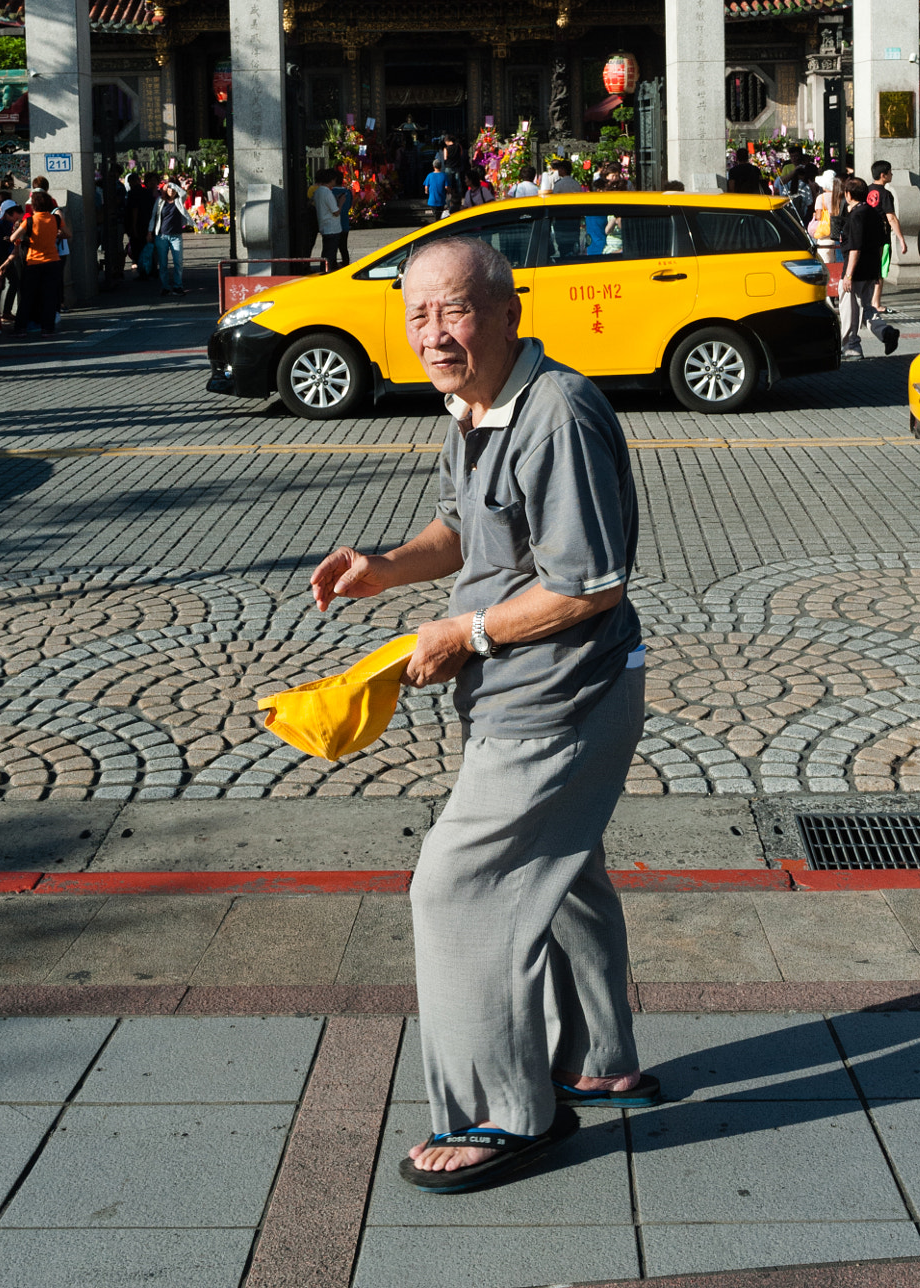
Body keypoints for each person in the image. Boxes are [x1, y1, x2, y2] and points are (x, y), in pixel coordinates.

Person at [309, 235, 652, 1193]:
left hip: (562, 696)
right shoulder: (473, 406)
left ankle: (505, 1112)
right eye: (418, 315)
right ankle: (599, 1059)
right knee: (565, 868)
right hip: (529, 689)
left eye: (454, 311)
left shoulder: (559, 413)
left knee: (453, 889)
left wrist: (463, 633)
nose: (434, 333)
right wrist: (385, 567)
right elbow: (466, 526)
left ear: (507, 311)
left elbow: (585, 585)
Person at [839, 177, 899, 360]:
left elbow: (855, 247)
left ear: (848, 195)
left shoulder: (857, 215)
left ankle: (851, 346)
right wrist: (876, 271)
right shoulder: (873, 213)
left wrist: (848, 275)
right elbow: (880, 244)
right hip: (871, 268)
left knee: (849, 309)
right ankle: (885, 332)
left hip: (855, 270)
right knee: (867, 308)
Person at [14, 187, 66, 336]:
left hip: (33, 263)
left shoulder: (29, 220)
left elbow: (13, 237)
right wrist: (54, 235)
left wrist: (25, 240)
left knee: (28, 297)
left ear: (34, 205)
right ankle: (47, 329)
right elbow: (67, 234)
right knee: (50, 297)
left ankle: (20, 329)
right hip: (53, 262)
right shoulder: (55, 219)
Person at [865, 161, 906, 311]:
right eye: (890, 172)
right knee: (879, 269)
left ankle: (865, 300)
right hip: (880, 235)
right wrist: (901, 239)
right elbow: (891, 218)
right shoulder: (885, 194)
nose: (892, 174)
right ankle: (876, 302)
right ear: (883, 175)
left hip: (865, 234)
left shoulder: (865, 190)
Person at [150, 178, 188, 297]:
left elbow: (184, 193)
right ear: (166, 189)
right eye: (170, 188)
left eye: (174, 188)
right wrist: (149, 232)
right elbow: (153, 217)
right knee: (163, 263)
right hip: (162, 236)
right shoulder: (160, 201)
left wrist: (172, 185)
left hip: (176, 236)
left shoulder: (179, 200)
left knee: (178, 261)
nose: (172, 190)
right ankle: (165, 286)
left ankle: (178, 286)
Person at [313, 166, 345, 270]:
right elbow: (336, 212)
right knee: (331, 253)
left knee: (326, 252)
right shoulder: (327, 192)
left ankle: (325, 269)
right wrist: (341, 202)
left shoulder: (318, 192)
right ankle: (328, 271)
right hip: (332, 227)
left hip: (324, 226)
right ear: (331, 180)